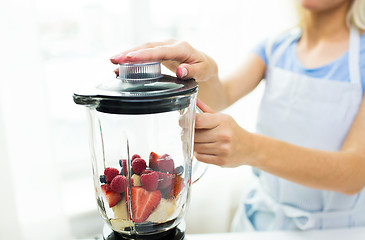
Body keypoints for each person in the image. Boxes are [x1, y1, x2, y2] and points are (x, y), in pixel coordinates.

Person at [110, 0, 365, 231]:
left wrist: (251, 148)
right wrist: (201, 71)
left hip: (336, 230)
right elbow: (221, 95)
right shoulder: (275, 47)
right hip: (259, 223)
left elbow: (355, 173)